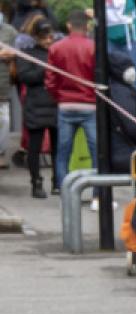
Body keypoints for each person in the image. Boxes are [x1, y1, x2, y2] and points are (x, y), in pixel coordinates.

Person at [47, 9, 95, 193]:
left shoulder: (56, 48)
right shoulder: (94, 47)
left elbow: (50, 80)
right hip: (89, 104)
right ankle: (99, 194)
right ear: (87, 26)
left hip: (65, 104)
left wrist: (58, 97)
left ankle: (64, 192)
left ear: (68, 25)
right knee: (96, 151)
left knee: (63, 152)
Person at [14, 17, 54, 199]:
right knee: (34, 147)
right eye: (44, 37)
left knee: (59, 147)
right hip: (35, 105)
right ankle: (36, 182)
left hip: (54, 104)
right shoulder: (26, 53)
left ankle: (58, 181)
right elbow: (25, 77)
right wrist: (45, 70)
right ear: (36, 37)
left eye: (50, 37)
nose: (48, 40)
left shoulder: (56, 52)